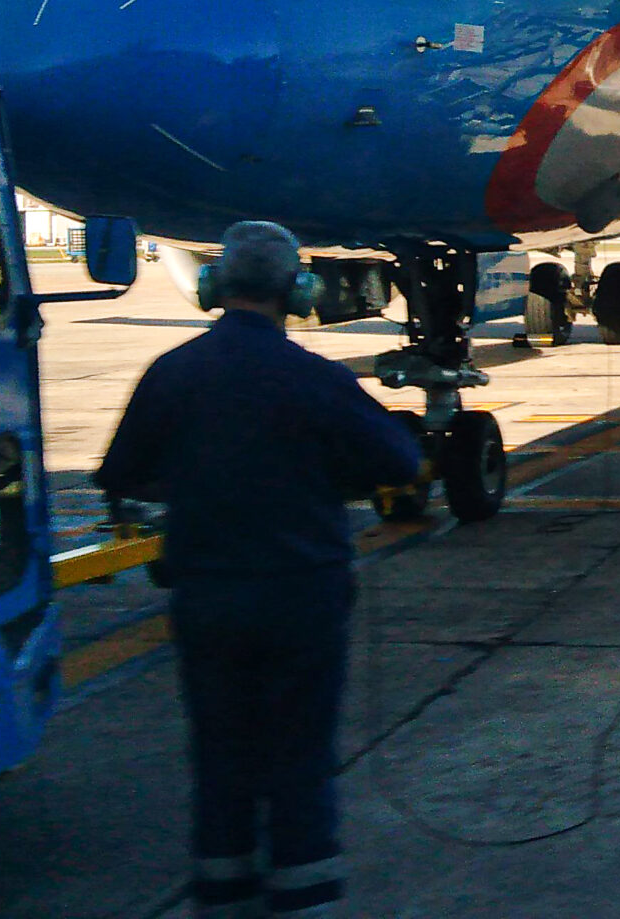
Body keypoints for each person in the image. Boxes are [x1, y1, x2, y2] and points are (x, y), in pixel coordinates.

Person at [97, 221, 424, 918]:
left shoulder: (172, 373)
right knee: (299, 763)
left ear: (214, 288)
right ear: (296, 291)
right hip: (302, 596)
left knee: (221, 763)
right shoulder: (315, 378)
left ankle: (222, 899)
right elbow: (398, 460)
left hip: (209, 595)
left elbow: (121, 471)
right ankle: (303, 901)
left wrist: (193, 481)